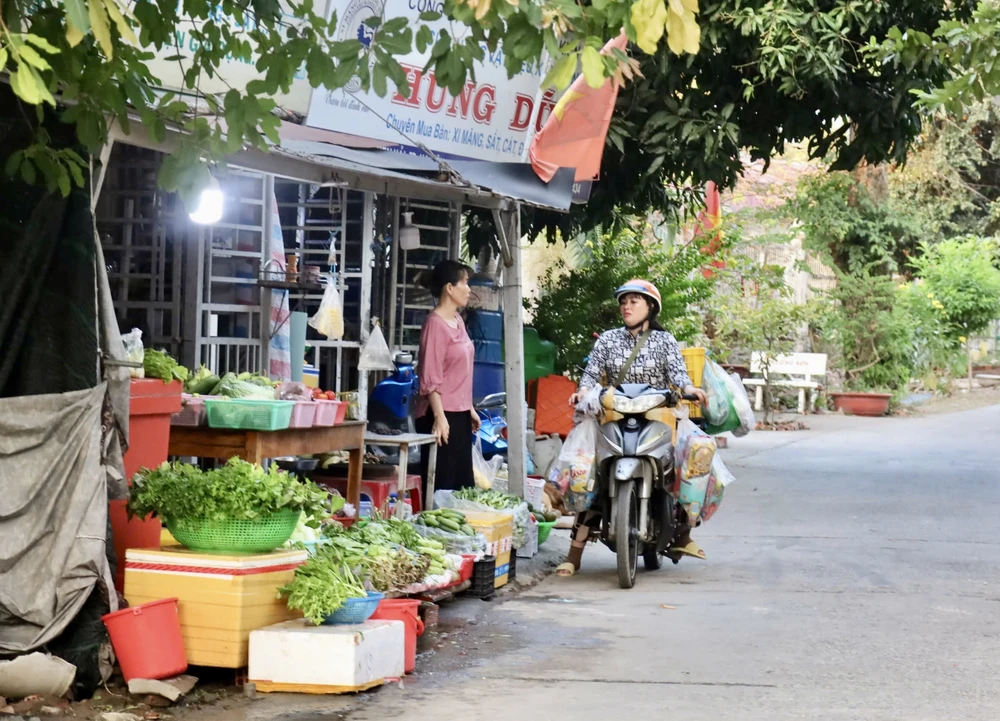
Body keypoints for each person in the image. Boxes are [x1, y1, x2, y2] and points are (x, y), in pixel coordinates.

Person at [556, 279, 708, 578]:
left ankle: (682, 531)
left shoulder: (664, 341)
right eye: (623, 301)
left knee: (683, 467)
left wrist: (691, 389)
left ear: (650, 307)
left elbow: (678, 374)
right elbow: (591, 374)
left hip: (658, 416)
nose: (626, 306)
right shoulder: (608, 340)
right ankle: (574, 554)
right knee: (592, 480)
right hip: (614, 416)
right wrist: (582, 391)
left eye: (634, 301)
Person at [415, 260, 481, 498]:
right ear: (449, 288)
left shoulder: (458, 321)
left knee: (462, 488)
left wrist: (469, 408)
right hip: (440, 415)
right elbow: (430, 377)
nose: (468, 289)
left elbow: (458, 370)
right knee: (442, 487)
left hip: (459, 414)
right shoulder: (434, 325)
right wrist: (440, 419)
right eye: (464, 282)